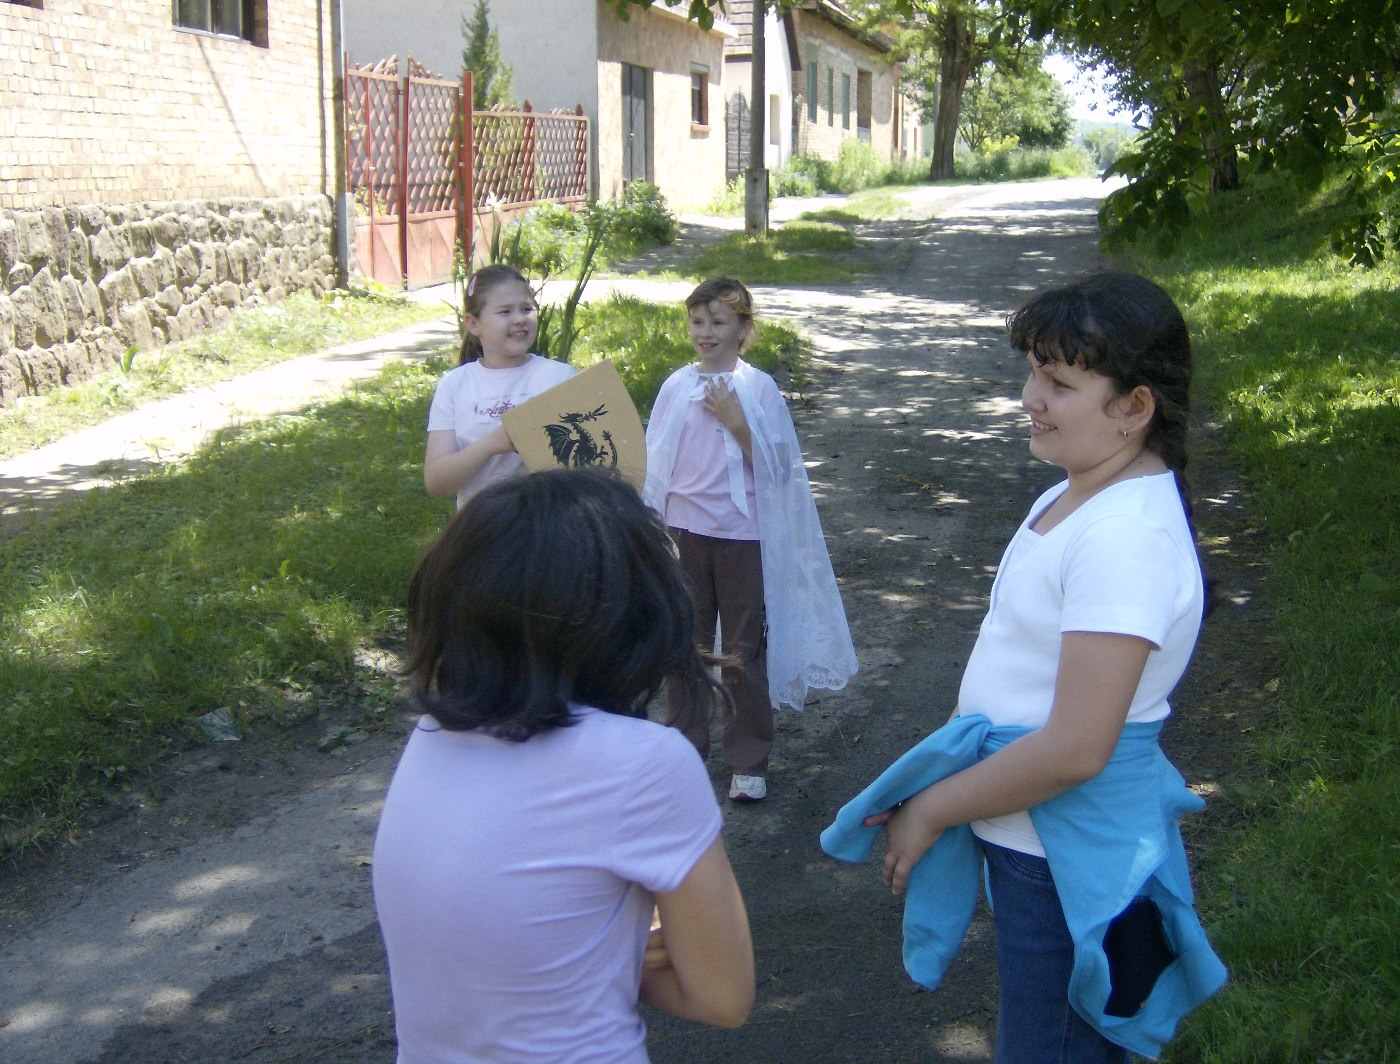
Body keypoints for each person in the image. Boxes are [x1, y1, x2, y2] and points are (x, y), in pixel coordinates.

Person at [821, 273, 1226, 1062]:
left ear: (1135, 407)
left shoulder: (1123, 538)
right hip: (1036, 839)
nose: (1029, 397)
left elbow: (1077, 747)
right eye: (1034, 372)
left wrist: (935, 807)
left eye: (1061, 382)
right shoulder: (1074, 496)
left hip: (1067, 859)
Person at [373, 469, 755, 1063]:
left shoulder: (431, 736)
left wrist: (586, 944)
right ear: (637, 615)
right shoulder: (645, 763)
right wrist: (624, 952)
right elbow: (723, 998)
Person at [644, 276, 857, 804]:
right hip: (683, 534)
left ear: (745, 330)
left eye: (719, 322)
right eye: (697, 322)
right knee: (685, 645)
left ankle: (748, 757)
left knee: (742, 648)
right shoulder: (676, 384)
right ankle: (683, 751)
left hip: (742, 538)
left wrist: (739, 424)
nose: (706, 332)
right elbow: (654, 459)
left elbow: (781, 468)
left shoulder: (757, 386)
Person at [423, 264, 575, 508]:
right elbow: (437, 482)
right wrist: (493, 443)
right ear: (473, 324)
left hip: (552, 527)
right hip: (482, 531)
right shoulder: (454, 386)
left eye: (526, 309)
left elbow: (586, 463)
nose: (519, 319)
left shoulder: (561, 377)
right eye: (505, 312)